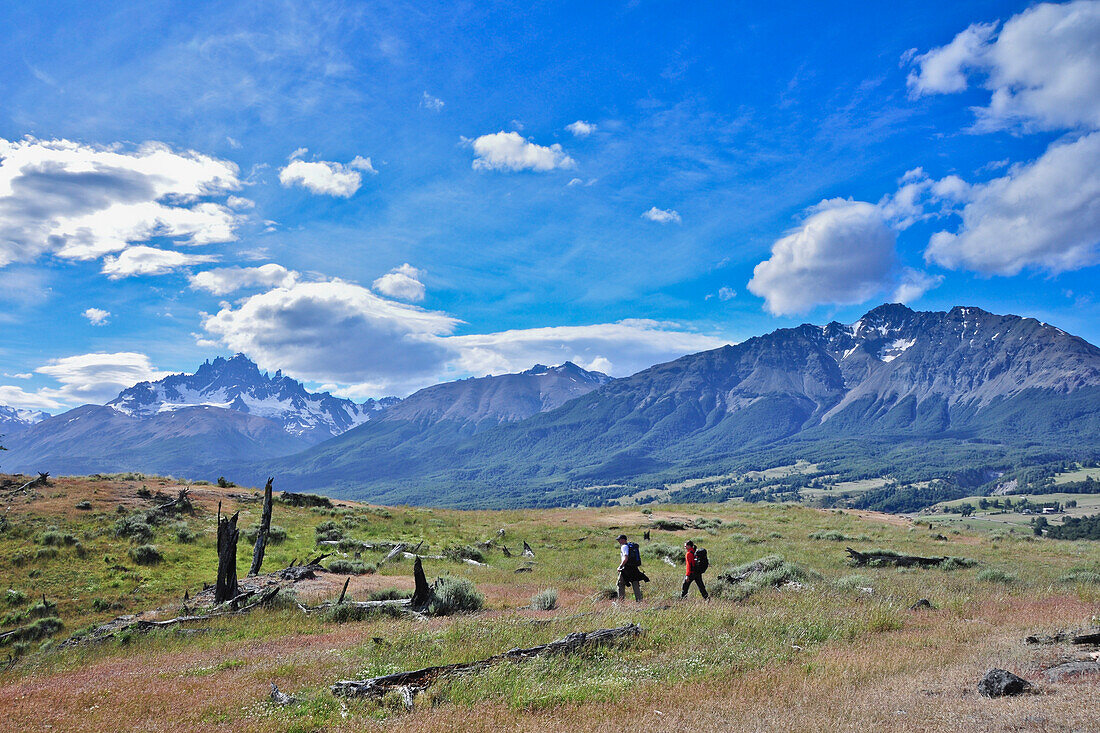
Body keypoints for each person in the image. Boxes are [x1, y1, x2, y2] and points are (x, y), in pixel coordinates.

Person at [616, 534, 647, 601]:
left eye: (619, 539)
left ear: (623, 540)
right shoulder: (630, 547)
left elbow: (626, 558)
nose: (618, 541)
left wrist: (620, 566)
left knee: (620, 584)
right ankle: (639, 601)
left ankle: (620, 602)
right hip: (634, 568)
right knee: (635, 583)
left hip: (626, 568)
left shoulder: (624, 546)